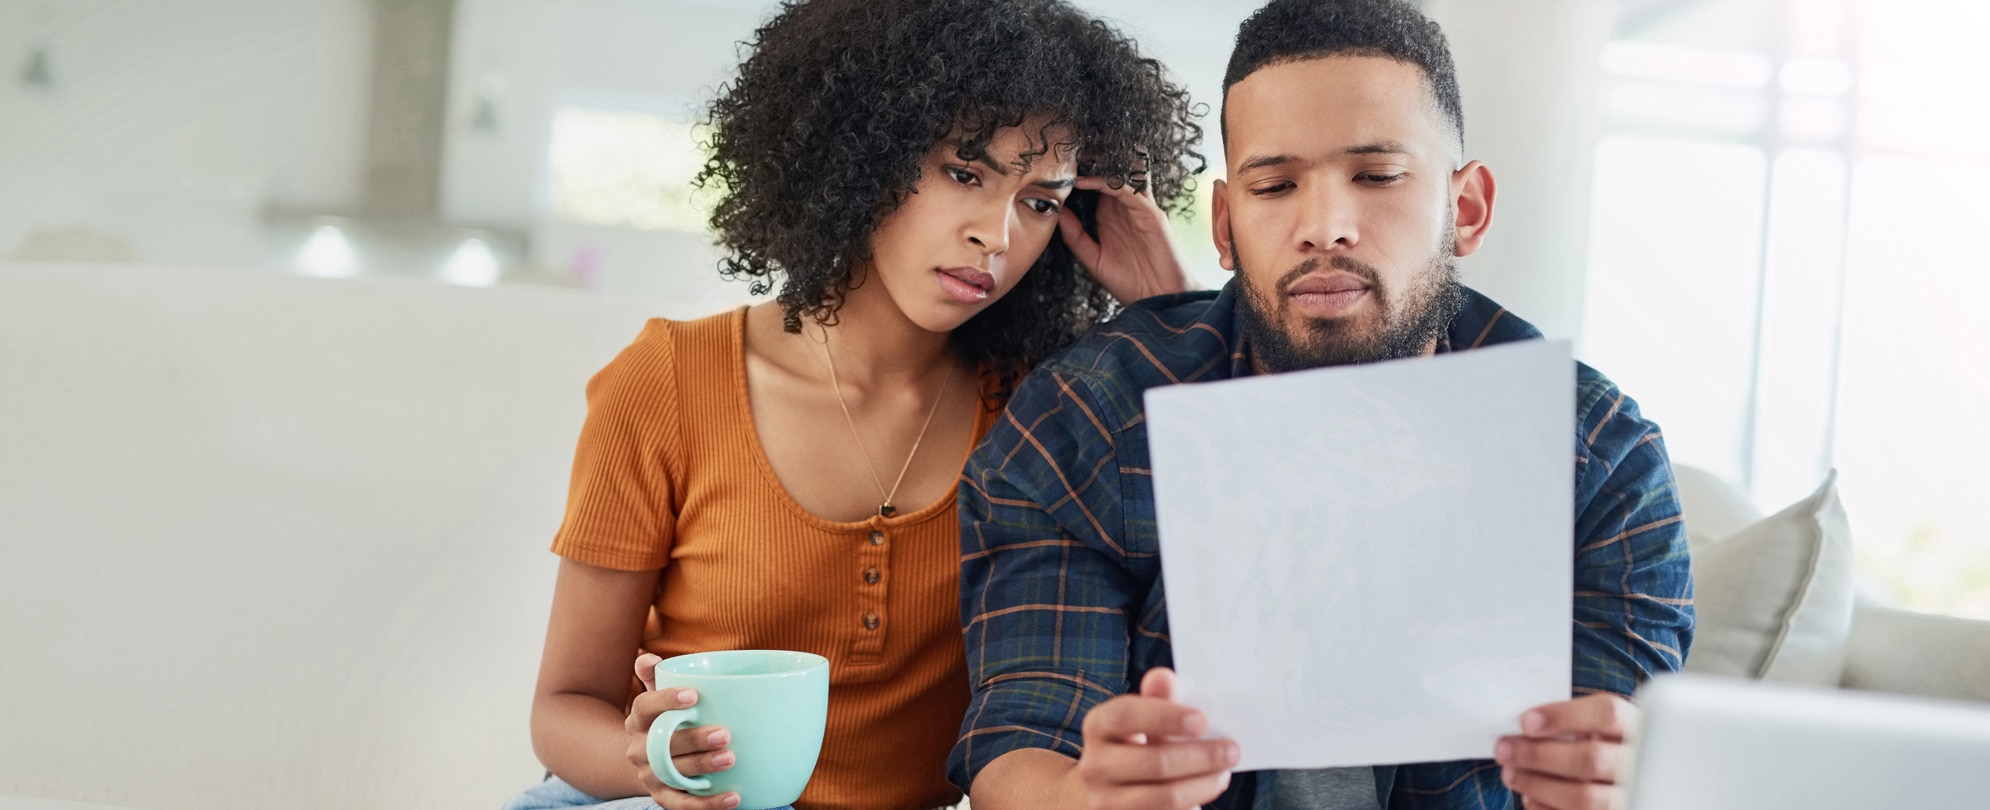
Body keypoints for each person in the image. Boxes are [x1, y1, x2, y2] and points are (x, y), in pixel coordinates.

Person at [950, 1, 1694, 808]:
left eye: (1376, 177)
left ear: (1467, 210)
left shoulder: (1598, 454)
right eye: (1276, 186)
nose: (1325, 227)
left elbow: (1628, 741)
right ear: (1227, 228)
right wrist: (1086, 797)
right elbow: (1022, 741)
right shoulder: (1088, 418)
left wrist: (1625, 780)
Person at [502, 1, 1204, 809]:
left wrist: (1169, 307)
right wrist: (649, 758)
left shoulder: (1042, 406)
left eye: (1040, 202)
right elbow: (564, 709)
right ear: (863, 153)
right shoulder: (666, 383)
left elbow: (1225, 553)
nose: (997, 235)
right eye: (964, 173)